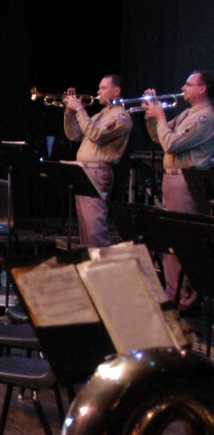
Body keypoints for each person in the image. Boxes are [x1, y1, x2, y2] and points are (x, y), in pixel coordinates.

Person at [144, 70, 214, 310]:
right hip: (173, 180)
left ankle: (183, 295)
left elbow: (172, 144)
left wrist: (161, 117)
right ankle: (173, 292)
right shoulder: (187, 113)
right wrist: (151, 115)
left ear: (202, 89)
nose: (183, 88)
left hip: (186, 180)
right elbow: (158, 138)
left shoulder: (205, 117)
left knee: (182, 241)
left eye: (188, 84)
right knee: (172, 241)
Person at [62, 75, 132, 248]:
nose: (98, 92)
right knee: (86, 233)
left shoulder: (121, 116)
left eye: (103, 88)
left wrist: (79, 109)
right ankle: (92, 271)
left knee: (95, 231)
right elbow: (74, 134)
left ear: (116, 91)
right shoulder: (100, 114)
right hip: (83, 172)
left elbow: (95, 135)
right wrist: (70, 112)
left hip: (97, 173)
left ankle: (105, 272)